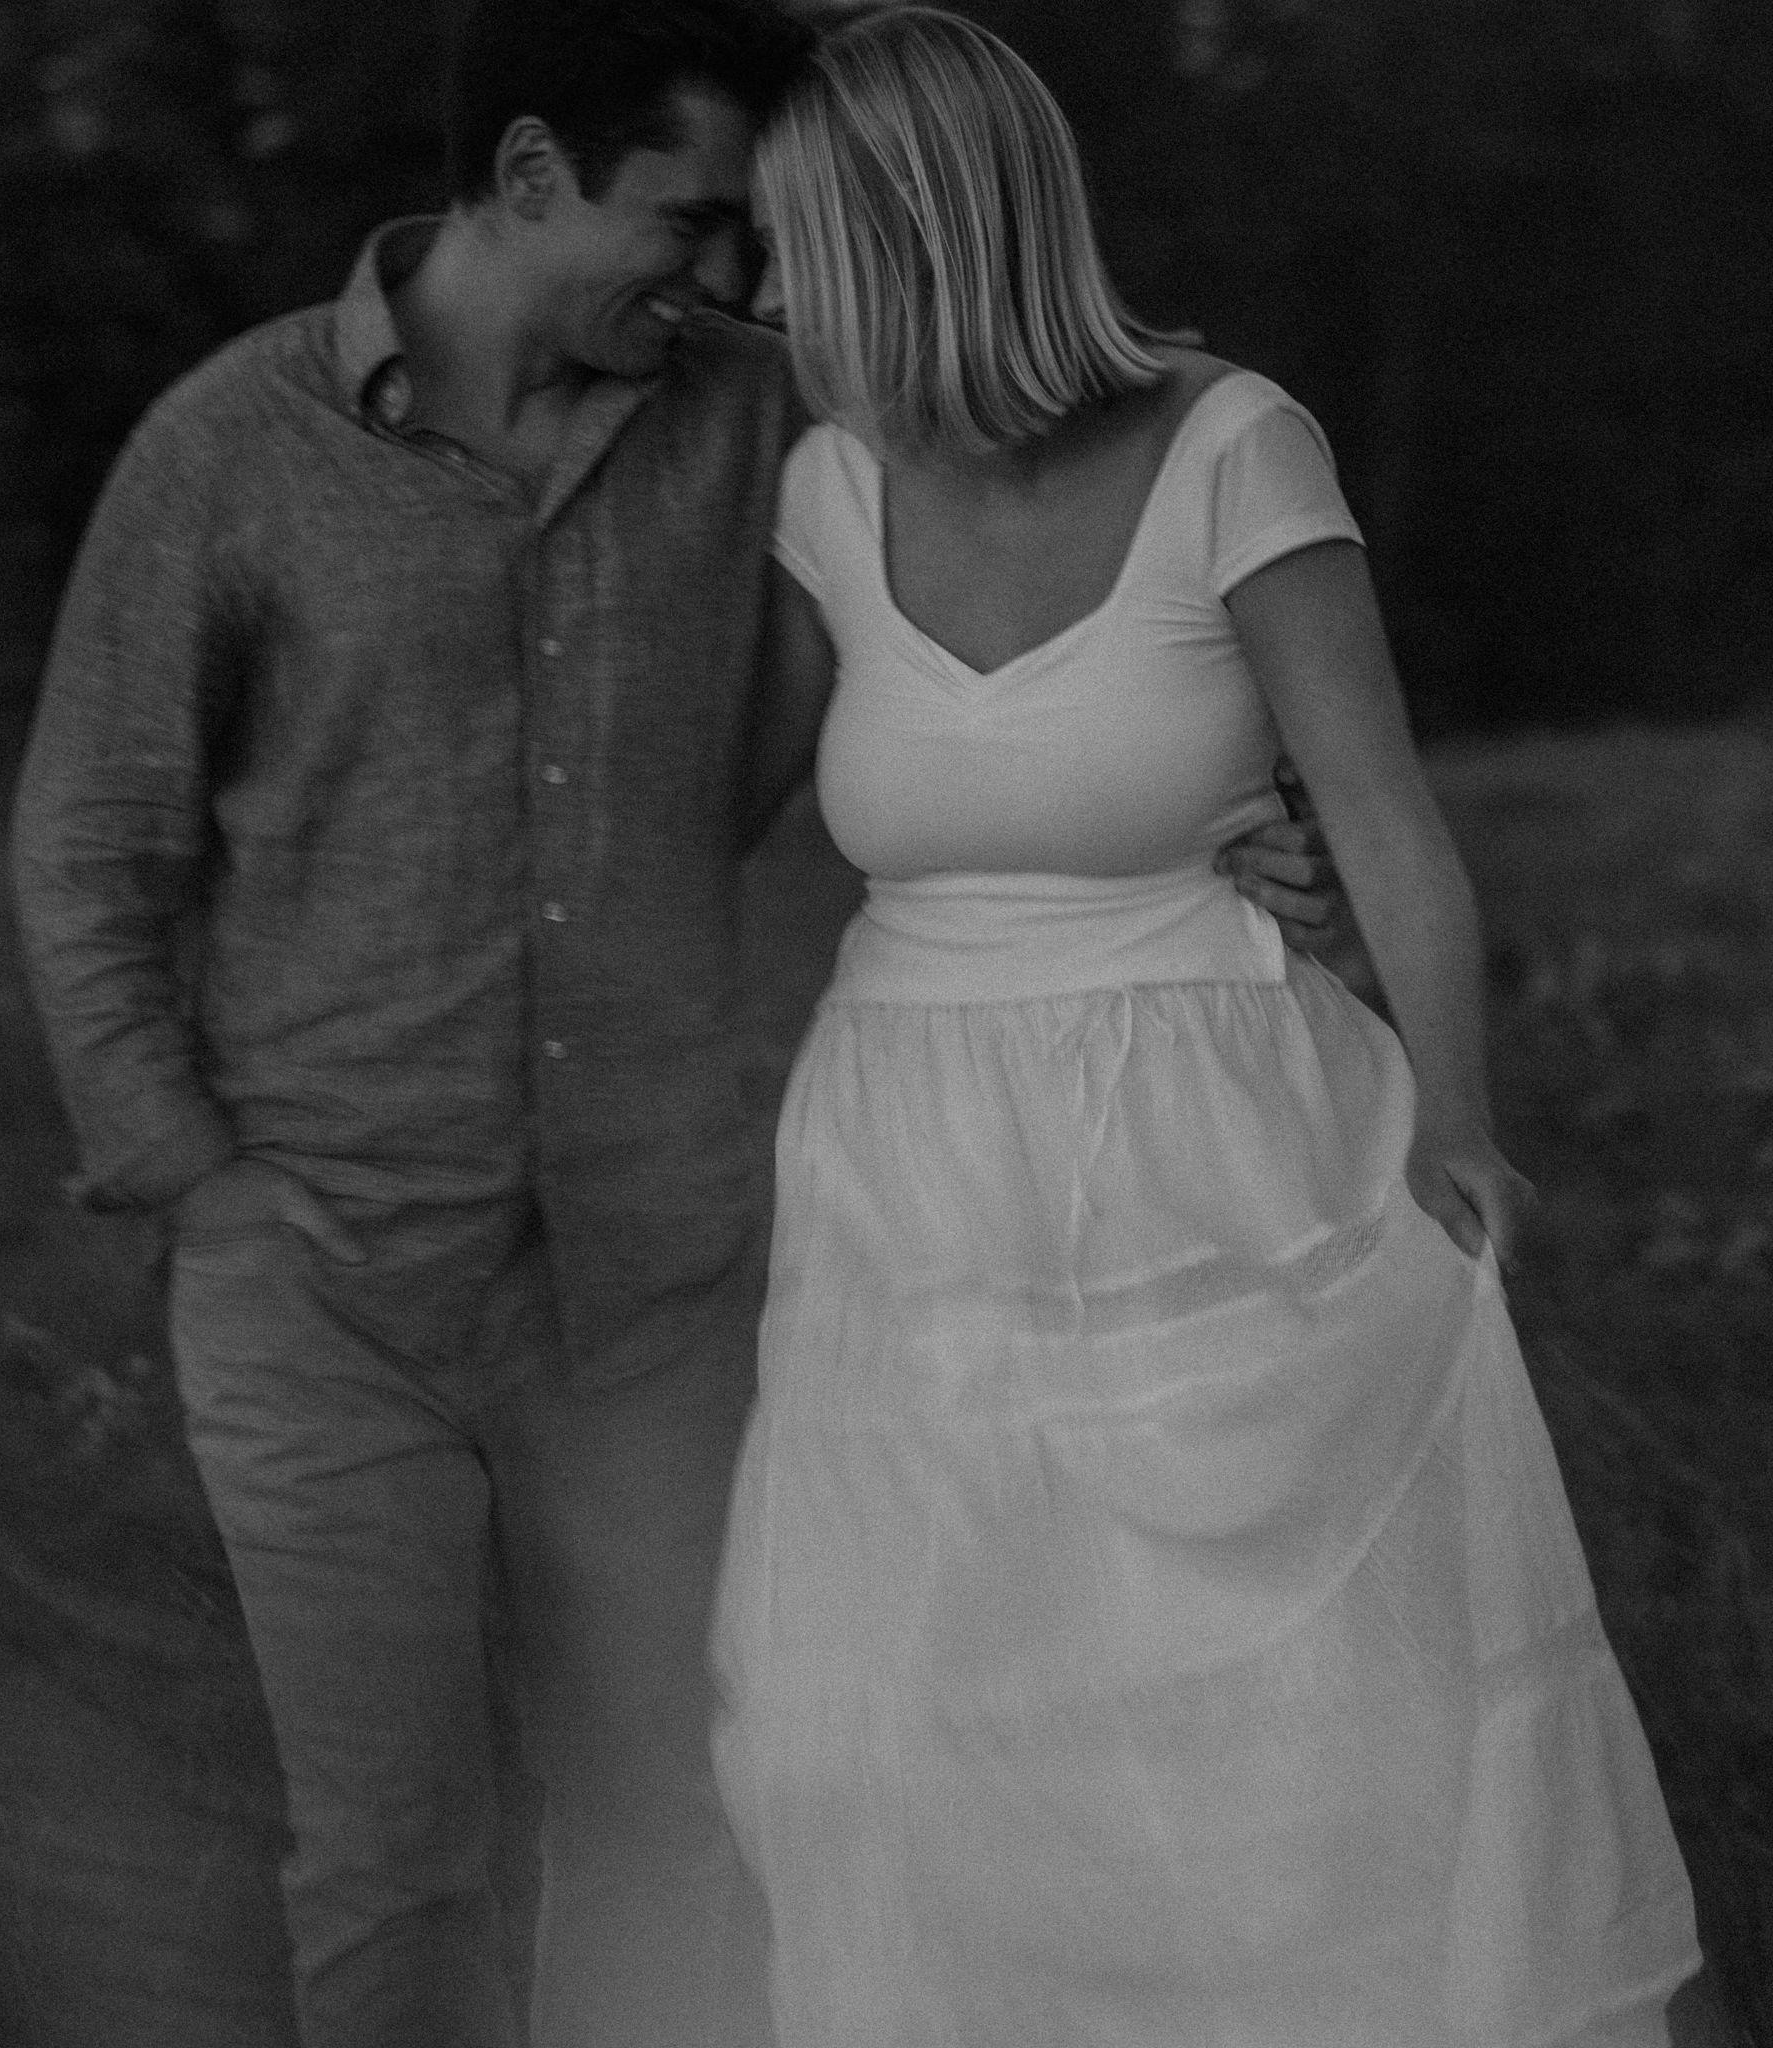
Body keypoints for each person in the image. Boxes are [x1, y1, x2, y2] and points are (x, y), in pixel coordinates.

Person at [10, 2, 1341, 2042]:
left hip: (649, 1283)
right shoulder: (230, 448)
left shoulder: (767, 419)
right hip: (325, 1289)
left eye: (750, 236)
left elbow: (1046, 556)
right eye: (691, 220)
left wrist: (1234, 806)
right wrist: (198, 1180)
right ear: (531, 172)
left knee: (682, 1821)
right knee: (391, 1859)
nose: (730, 278)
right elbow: (90, 845)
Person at [708, 12, 1704, 2046]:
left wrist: (1458, 1112)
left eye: (791, 243)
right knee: (929, 1709)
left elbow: (1386, 817)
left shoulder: (1233, 446)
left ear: (907, 240)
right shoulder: (818, 487)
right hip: (906, 1170)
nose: (766, 294)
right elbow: (692, 813)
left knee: (1289, 1719)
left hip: (1213, 1131)